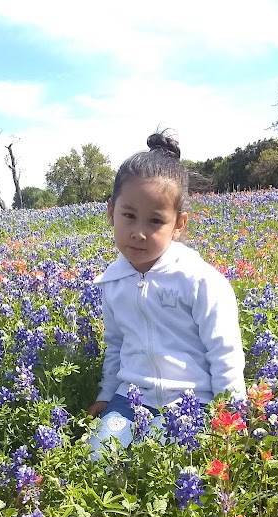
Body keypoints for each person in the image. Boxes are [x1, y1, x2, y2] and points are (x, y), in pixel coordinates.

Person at [86, 130, 246, 458]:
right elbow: (117, 346)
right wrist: (106, 393)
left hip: (193, 401)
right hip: (131, 398)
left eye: (156, 221)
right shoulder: (113, 281)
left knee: (179, 467)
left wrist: (232, 414)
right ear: (110, 212)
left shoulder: (199, 280)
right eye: (128, 215)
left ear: (179, 224)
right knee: (97, 459)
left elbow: (224, 352)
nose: (139, 232)